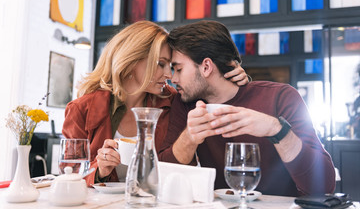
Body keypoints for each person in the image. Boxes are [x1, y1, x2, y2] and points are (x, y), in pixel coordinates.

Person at [158, 20, 336, 196]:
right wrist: (189, 137)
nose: (172, 79)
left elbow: (324, 186)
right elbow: (163, 178)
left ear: (206, 67)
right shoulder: (186, 105)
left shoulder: (281, 97)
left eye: (178, 69)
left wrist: (276, 129)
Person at [62, 21, 249, 186]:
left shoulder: (174, 101)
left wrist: (230, 79)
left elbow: (214, 100)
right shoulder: (81, 109)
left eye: (173, 66)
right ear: (132, 60)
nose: (169, 75)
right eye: (161, 64)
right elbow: (68, 174)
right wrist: (99, 171)